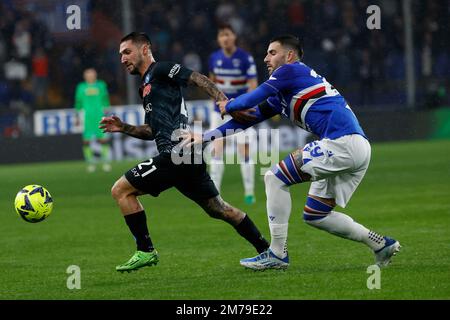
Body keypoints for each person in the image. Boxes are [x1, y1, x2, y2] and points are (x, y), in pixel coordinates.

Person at [191, 35, 401, 270]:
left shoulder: (290, 70)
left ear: (289, 55)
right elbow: (246, 120)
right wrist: (206, 138)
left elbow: (251, 98)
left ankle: (277, 254)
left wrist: (228, 105)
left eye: (272, 53)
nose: (265, 58)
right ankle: (381, 244)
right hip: (355, 147)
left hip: (341, 143)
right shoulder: (282, 92)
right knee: (316, 214)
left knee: (274, 178)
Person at [99, 32, 269, 273]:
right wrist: (124, 128)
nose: (122, 59)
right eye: (120, 55)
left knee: (121, 190)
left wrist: (224, 102)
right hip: (187, 155)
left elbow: (198, 78)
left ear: (145, 49)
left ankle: (146, 250)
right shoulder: (146, 86)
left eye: (127, 52)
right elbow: (151, 130)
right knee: (219, 209)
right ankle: (265, 249)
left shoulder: (160, 70)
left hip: (175, 154)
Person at [208, 24, 258, 204]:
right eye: (222, 35)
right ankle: (215, 194)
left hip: (240, 110)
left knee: (244, 151)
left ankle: (249, 193)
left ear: (234, 36)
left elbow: (252, 83)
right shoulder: (214, 58)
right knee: (217, 150)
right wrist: (217, 101)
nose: (225, 38)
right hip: (219, 111)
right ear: (218, 39)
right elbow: (211, 83)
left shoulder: (245, 58)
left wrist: (244, 104)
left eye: (228, 35)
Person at [75, 68, 111, 173]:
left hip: (99, 116)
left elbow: (105, 98)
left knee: (103, 140)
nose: (90, 76)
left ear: (95, 75)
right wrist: (77, 116)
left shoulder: (101, 85)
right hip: (87, 117)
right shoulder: (81, 87)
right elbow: (78, 102)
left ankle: (105, 162)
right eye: (88, 75)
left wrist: (107, 110)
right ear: (85, 76)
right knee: (86, 141)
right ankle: (90, 163)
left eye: (92, 74)